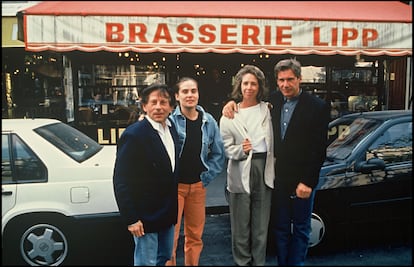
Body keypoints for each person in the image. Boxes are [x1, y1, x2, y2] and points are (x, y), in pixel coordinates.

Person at [222, 59, 330, 266]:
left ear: (299, 79)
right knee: (279, 228)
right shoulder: (272, 102)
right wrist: (230, 104)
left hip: (303, 180)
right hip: (276, 176)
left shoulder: (317, 106)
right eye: (281, 80)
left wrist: (308, 181)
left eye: (290, 79)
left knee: (300, 228)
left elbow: (319, 149)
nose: (285, 84)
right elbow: (247, 103)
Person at [112, 83, 180, 266]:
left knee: (164, 258)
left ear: (171, 107)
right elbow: (121, 180)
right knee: (145, 263)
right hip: (144, 217)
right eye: (154, 102)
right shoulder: (134, 135)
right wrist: (131, 218)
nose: (158, 107)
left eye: (163, 102)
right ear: (144, 106)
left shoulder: (172, 130)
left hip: (167, 214)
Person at [219, 65, 275, 266]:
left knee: (260, 225)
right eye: (245, 83)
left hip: (264, 168)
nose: (249, 87)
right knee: (240, 225)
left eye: (254, 83)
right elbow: (225, 147)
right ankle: (242, 263)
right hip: (239, 169)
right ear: (239, 86)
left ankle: (258, 262)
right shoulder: (229, 115)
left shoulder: (268, 109)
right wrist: (240, 150)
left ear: (259, 86)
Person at [166, 77, 225, 266]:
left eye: (193, 91)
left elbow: (218, 153)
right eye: (185, 91)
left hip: (198, 187)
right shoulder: (169, 121)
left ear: (198, 94)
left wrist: (206, 177)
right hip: (174, 188)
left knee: (195, 237)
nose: (190, 95)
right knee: (170, 238)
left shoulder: (209, 121)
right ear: (177, 96)